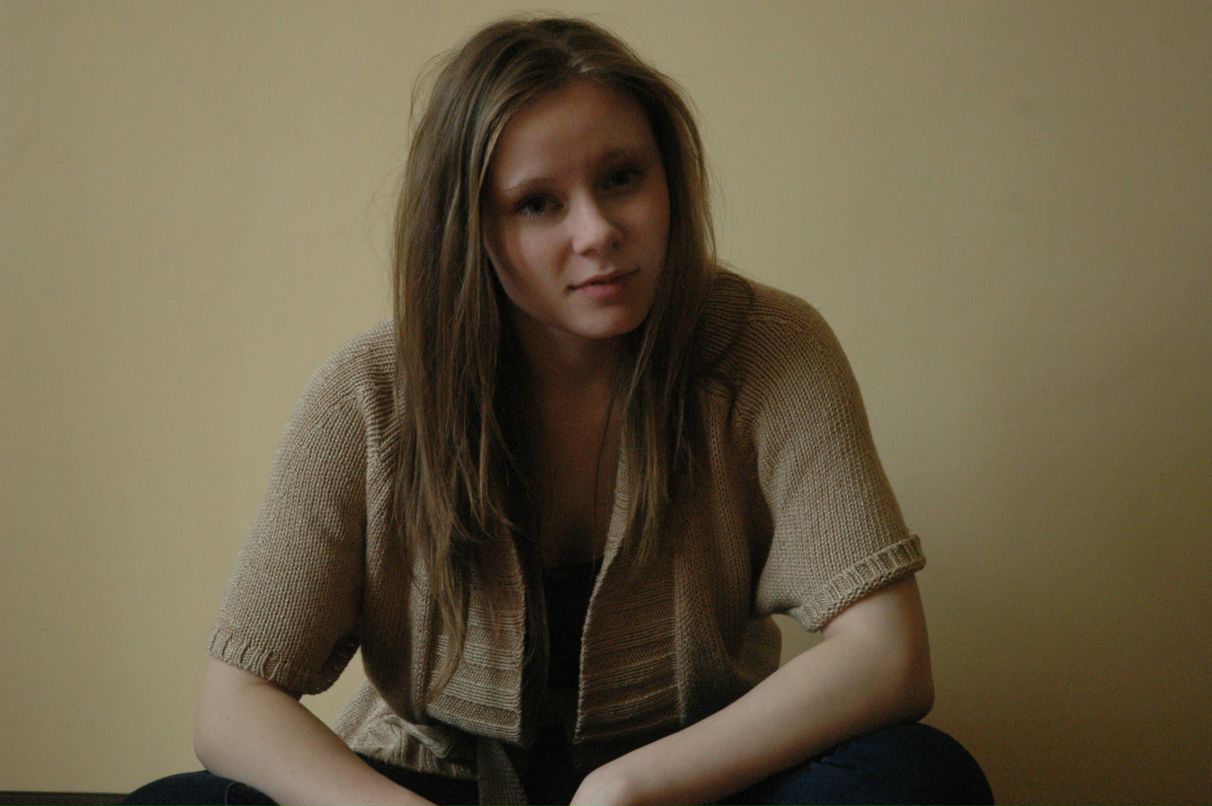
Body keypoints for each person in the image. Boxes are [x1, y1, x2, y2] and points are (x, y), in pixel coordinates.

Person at [125, 15, 992, 806]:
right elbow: (232, 705)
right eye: (538, 203)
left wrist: (628, 788)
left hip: (688, 786)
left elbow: (889, 656)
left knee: (918, 779)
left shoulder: (767, 350)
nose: (597, 231)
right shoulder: (370, 394)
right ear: (469, 227)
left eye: (622, 178)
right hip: (435, 786)